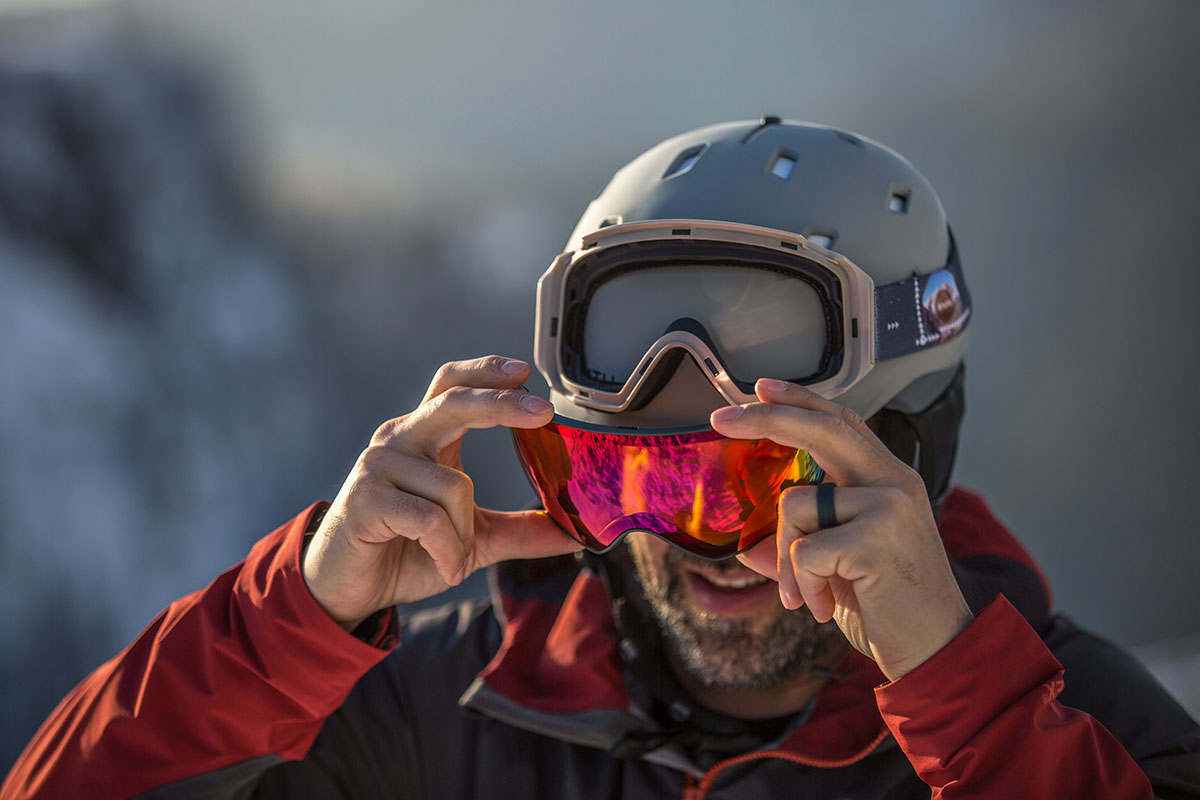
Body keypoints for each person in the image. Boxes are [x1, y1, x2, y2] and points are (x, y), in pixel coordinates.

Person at [3, 118, 1198, 800]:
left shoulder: (1073, 731)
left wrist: (968, 706)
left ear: (908, 458)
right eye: (635, 478)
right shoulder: (442, 719)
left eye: (756, 485)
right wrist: (295, 622)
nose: (695, 541)